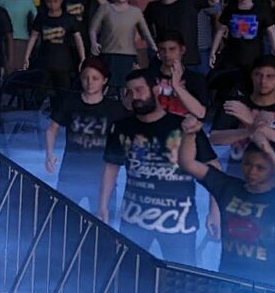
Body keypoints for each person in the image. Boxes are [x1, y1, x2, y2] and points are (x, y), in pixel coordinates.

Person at [99, 67, 214, 263]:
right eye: (130, 92)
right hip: (134, 220)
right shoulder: (122, 127)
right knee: (130, 271)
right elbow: (111, 167)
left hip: (178, 224)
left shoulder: (183, 126)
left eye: (139, 90)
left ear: (155, 89)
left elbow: (213, 166)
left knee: (181, 276)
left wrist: (214, 212)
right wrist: (103, 205)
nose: (135, 97)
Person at [174, 114, 275, 287]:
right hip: (228, 282)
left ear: (273, 168)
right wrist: (189, 134)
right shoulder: (228, 187)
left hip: (269, 286)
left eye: (260, 168)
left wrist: (270, 153)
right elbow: (188, 164)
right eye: (247, 164)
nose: (251, 171)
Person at [42, 61, 125, 208]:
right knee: (63, 215)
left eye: (95, 78)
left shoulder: (114, 109)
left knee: (103, 219)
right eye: (85, 78)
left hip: (102, 176)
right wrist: (49, 153)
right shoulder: (69, 102)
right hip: (71, 173)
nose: (89, 82)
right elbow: (52, 129)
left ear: (104, 80)